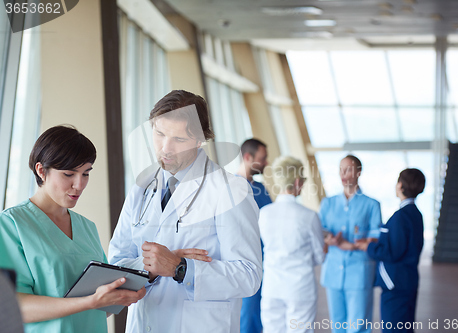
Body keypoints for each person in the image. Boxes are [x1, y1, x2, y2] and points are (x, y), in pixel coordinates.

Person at [108, 90, 262, 333]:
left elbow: (249, 276)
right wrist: (148, 268)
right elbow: (116, 262)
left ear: (200, 140)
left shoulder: (230, 190)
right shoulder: (141, 187)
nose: (165, 148)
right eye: (159, 134)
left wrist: (181, 269)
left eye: (179, 139)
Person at [0, 125, 146, 333]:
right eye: (69, 174)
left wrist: (119, 296)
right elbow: (13, 307)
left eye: (86, 174)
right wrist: (89, 302)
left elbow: (100, 309)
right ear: (41, 171)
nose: (79, 184)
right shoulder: (11, 224)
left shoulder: (87, 227)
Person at [259, 156, 324, 333]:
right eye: (302, 181)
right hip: (300, 288)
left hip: (272, 287)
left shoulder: (264, 213)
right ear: (296, 181)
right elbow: (320, 256)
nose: (302, 185)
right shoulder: (309, 216)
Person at [357, 169, 425, 333]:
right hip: (408, 280)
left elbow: (391, 253)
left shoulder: (400, 216)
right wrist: (380, 240)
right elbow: (405, 244)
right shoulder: (416, 214)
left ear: (400, 185)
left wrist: (368, 246)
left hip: (395, 285)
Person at [319, 155, 381, 333]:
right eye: (340, 169)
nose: (343, 174)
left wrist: (351, 245)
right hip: (333, 273)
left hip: (359, 273)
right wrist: (329, 239)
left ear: (359, 172)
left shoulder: (372, 205)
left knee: (359, 326)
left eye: (348, 169)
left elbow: (375, 237)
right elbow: (319, 230)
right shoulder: (328, 203)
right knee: (337, 324)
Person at [236, 138, 272, 333]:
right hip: (244, 263)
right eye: (263, 158)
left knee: (261, 316)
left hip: (265, 262)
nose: (266, 162)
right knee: (247, 316)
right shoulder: (232, 189)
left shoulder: (261, 189)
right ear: (248, 157)